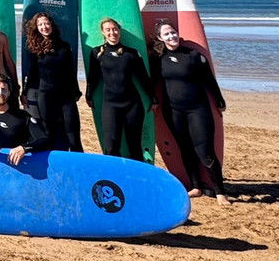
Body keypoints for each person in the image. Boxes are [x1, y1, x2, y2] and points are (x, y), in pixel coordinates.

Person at [150, 19, 231, 205]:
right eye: (166, 34)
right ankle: (196, 187)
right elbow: (152, 83)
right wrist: (153, 101)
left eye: (173, 32)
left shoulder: (193, 55)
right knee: (185, 148)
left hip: (198, 109)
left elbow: (209, 80)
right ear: (160, 38)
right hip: (173, 111)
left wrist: (219, 100)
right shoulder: (157, 59)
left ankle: (220, 192)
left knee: (205, 150)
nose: (172, 36)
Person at [85, 17, 155, 162]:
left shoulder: (132, 53)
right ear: (103, 33)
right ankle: (113, 174)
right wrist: (88, 96)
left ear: (119, 31)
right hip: (111, 106)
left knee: (134, 146)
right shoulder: (97, 53)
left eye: (115, 29)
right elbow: (93, 78)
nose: (112, 33)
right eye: (108, 30)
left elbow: (143, 78)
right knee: (111, 146)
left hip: (132, 105)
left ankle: (135, 173)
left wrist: (153, 99)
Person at [21, 12, 83, 152]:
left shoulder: (64, 46)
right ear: (36, 28)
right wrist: (24, 92)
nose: (44, 27)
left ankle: (77, 162)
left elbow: (70, 71)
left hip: (66, 96)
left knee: (73, 134)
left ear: (52, 25)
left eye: (47, 23)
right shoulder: (34, 48)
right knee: (49, 133)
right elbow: (31, 73)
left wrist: (76, 90)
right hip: (45, 96)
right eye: (40, 24)